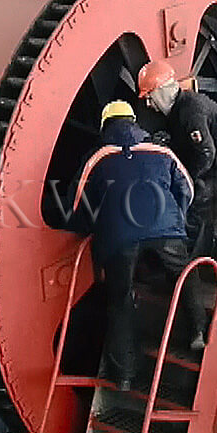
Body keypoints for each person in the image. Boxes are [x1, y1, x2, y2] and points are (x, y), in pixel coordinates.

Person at [69, 99, 207, 389]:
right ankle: (197, 331)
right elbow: (187, 188)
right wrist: (176, 220)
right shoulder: (160, 151)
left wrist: (90, 229)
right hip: (165, 227)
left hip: (119, 239)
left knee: (120, 301)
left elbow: (78, 200)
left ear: (105, 125)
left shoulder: (98, 157)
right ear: (134, 122)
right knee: (184, 274)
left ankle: (125, 375)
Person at [138, 60, 217, 257]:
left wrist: (190, 179)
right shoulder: (180, 108)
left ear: (161, 92)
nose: (148, 104)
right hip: (214, 158)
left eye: (150, 97)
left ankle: (196, 257)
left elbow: (207, 152)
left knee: (197, 201)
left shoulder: (191, 112)